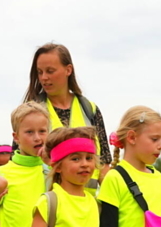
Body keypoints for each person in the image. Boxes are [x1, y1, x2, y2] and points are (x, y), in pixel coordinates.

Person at [24, 43, 111, 191]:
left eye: (50, 71)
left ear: (68, 70)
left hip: (87, 205)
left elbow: (104, 163)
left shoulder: (90, 109)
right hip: (48, 205)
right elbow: (19, 161)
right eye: (40, 72)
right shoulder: (30, 111)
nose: (44, 78)